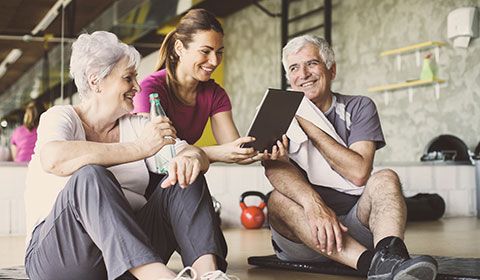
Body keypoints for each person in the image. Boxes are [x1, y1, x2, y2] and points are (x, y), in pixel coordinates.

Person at [24, 31, 237, 280]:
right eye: (128, 78)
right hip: (63, 254)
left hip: (127, 256)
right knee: (90, 175)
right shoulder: (61, 117)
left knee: (185, 172)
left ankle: (209, 275)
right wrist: (139, 149)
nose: (137, 87)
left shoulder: (137, 124)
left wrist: (191, 158)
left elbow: (188, 151)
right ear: (96, 81)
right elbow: (54, 158)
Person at [263, 35, 438, 280]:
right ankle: (373, 266)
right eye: (294, 68)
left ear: (331, 69)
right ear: (289, 77)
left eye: (311, 64)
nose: (303, 74)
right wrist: (315, 206)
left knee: (387, 178)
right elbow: (274, 170)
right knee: (276, 201)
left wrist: (308, 122)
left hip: (355, 226)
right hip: (304, 233)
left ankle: (390, 255)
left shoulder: (360, 107)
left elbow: (358, 173)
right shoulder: (278, 112)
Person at [133, 9, 277, 164]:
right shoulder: (150, 89)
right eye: (205, 51)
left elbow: (234, 151)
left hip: (183, 173)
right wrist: (213, 153)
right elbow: (154, 153)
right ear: (180, 48)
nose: (214, 61)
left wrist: (260, 151)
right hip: (145, 178)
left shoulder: (215, 93)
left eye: (219, 52)